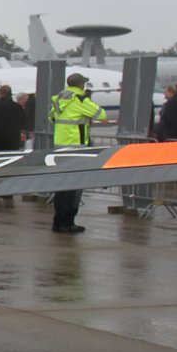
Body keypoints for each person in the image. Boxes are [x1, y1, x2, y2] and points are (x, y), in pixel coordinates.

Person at [49, 72, 106, 233]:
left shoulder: (58, 98)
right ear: (80, 85)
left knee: (61, 186)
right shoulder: (80, 99)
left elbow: (52, 118)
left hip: (60, 148)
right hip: (77, 148)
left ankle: (58, 221)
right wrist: (87, 101)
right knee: (74, 187)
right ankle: (68, 222)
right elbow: (101, 114)